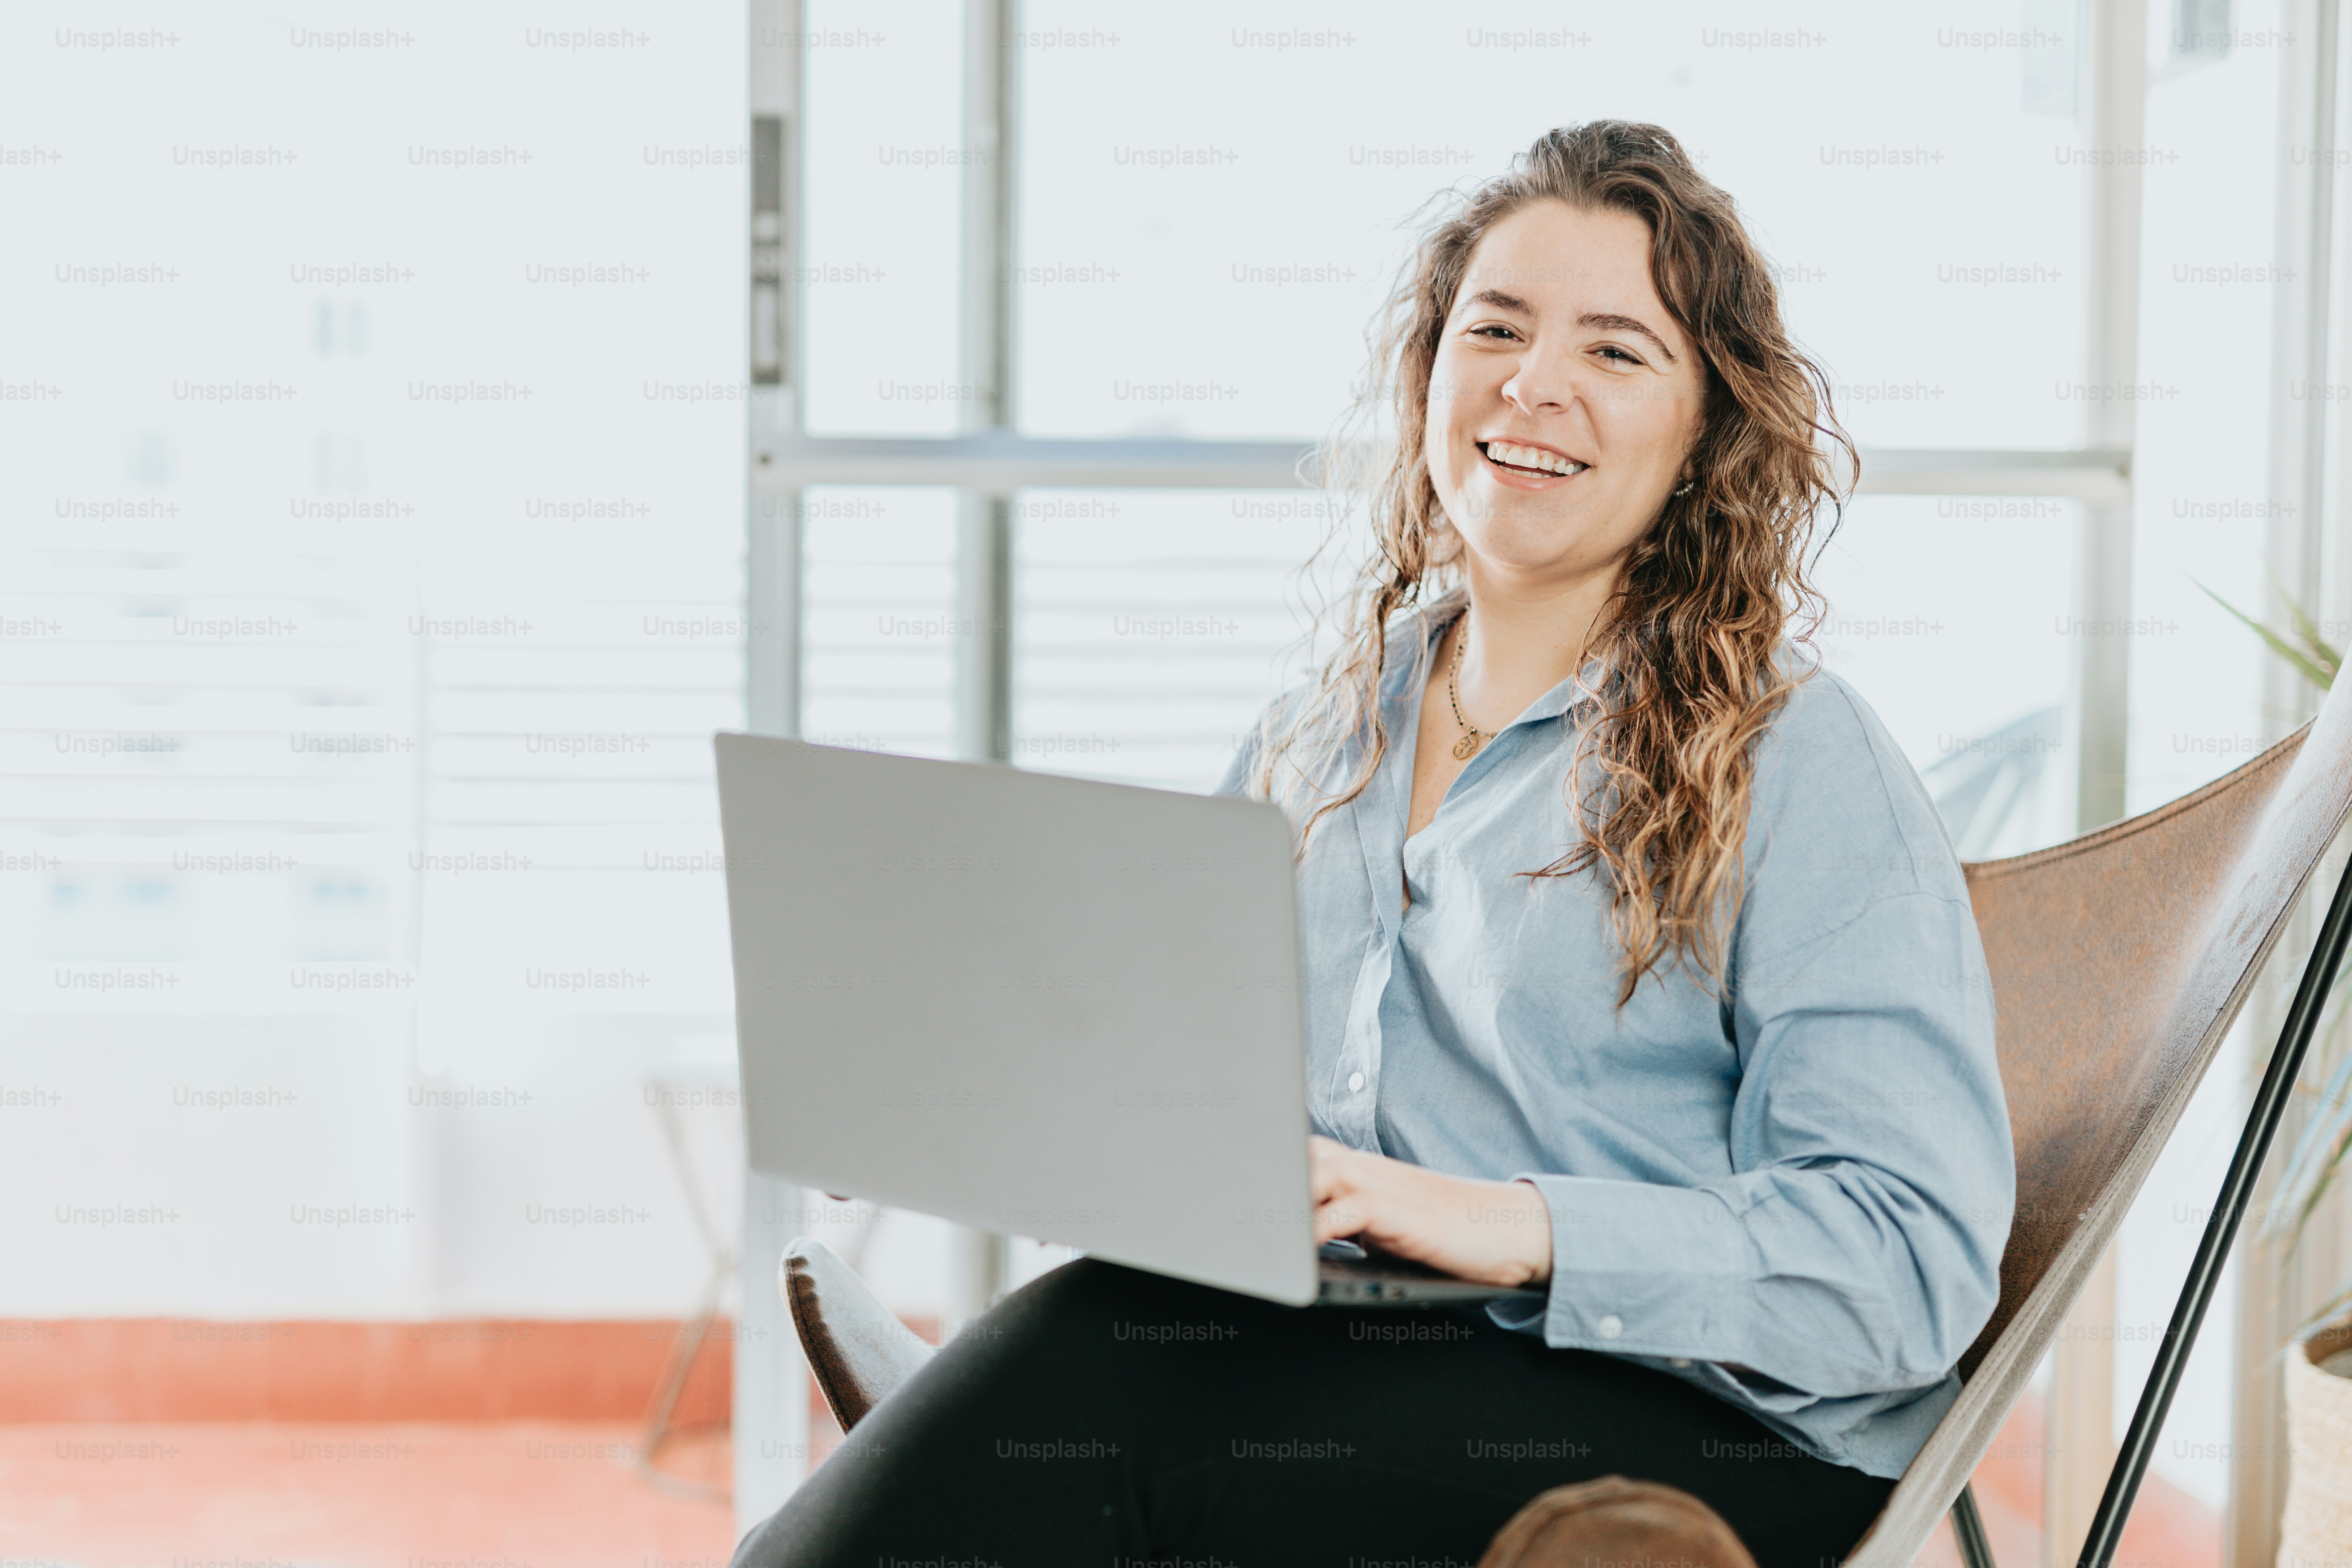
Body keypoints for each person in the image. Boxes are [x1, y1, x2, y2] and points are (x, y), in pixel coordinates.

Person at [732, 119, 2014, 1568]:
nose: (1533, 383)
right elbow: (1205, 1129)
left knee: (1091, 1394)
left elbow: (1905, 1263)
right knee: (1102, 1340)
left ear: (1705, 429)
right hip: (1365, 1363)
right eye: (1498, 328)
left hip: (1710, 1431)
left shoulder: (1797, 752)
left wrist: (1501, 1221)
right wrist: (975, 1109)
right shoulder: (1319, 736)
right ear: (1427, 377)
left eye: (1614, 350)